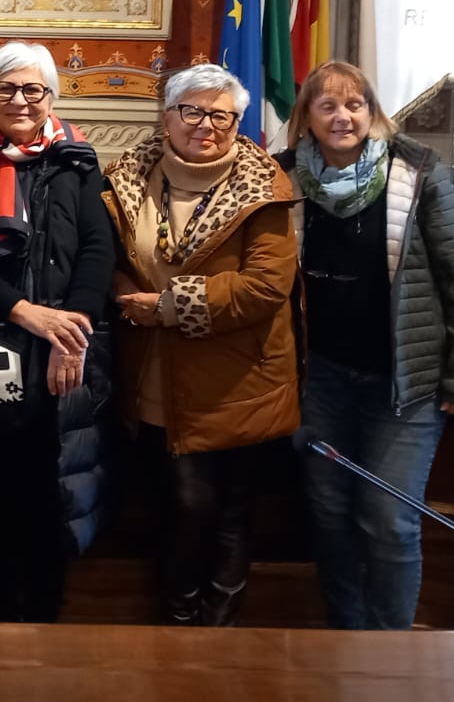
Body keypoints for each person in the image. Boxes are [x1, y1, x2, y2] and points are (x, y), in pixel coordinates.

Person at [277, 60, 454, 629]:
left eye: (355, 105)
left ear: (372, 113)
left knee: (389, 519)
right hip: (320, 381)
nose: (342, 117)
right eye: (328, 105)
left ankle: (392, 650)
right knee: (329, 514)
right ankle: (347, 640)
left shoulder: (416, 173)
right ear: (306, 117)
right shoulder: (283, 177)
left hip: (404, 384)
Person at [102, 63, 299, 626]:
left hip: (235, 378)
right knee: (173, 508)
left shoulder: (265, 190)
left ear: (237, 123)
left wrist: (169, 306)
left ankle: (213, 633)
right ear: (167, 117)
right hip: (152, 375)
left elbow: (265, 287)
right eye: (192, 111)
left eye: (221, 116)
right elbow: (109, 256)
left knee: (225, 514)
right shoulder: (125, 177)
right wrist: (119, 287)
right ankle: (179, 624)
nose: (205, 125)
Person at [0, 42, 116, 622]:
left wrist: (70, 336)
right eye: (5, 88)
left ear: (50, 97)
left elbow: (97, 250)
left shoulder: (77, 162)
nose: (19, 100)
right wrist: (24, 312)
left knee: (50, 491)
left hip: (63, 353)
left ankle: (44, 622)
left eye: (32, 89)